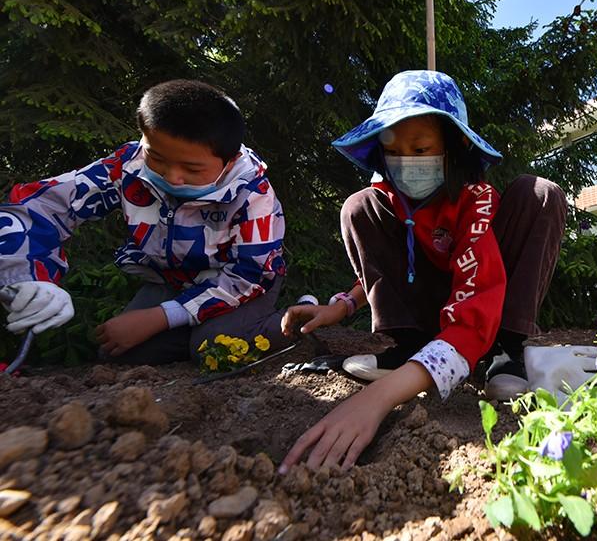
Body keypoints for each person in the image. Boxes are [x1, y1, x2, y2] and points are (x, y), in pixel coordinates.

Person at [278, 70, 566, 471]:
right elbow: (384, 271)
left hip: (482, 307)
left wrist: (379, 398)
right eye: (393, 151)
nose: (405, 163)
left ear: (456, 146)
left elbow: (477, 292)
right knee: (356, 205)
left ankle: (506, 350)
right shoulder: (387, 200)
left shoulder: (475, 199)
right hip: (431, 311)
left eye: (421, 149)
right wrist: (341, 307)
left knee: (540, 192)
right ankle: (409, 347)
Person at [0, 80, 287, 364]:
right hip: (175, 280)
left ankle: (299, 316)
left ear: (230, 160)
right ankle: (197, 330)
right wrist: (25, 276)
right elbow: (41, 206)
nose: (171, 177)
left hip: (245, 283)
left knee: (216, 346)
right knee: (120, 352)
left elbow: (250, 275)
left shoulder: (252, 193)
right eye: (156, 158)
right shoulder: (126, 167)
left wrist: (160, 317)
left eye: (191, 168)